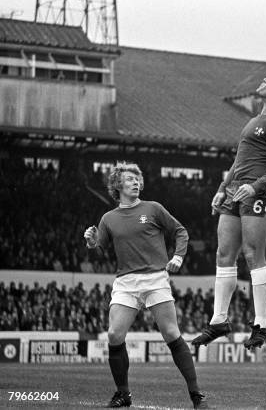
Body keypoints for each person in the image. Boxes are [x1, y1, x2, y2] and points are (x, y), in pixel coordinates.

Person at [192, 67, 266, 350]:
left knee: (253, 254)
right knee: (223, 253)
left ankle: (262, 325)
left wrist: (256, 187)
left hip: (255, 191)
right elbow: (239, 159)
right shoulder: (256, 119)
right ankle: (219, 320)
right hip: (234, 190)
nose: (263, 81)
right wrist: (221, 189)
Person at [83, 162, 205, 409]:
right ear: (118, 185)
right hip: (126, 282)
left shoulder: (153, 208)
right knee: (114, 335)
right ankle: (123, 394)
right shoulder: (108, 219)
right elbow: (100, 253)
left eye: (137, 178)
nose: (136, 182)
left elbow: (180, 232)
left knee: (171, 333)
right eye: (129, 179)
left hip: (155, 278)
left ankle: (196, 395)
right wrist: (92, 243)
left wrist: (178, 256)